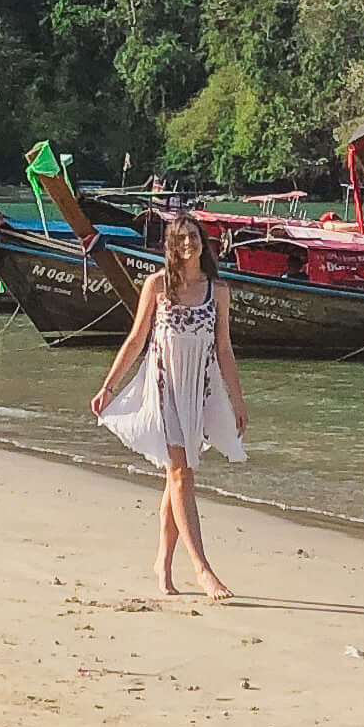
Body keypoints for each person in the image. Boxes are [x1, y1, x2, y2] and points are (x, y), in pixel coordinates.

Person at [90, 208, 248, 597]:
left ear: (202, 243)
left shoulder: (218, 291)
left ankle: (162, 563)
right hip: (162, 386)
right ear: (171, 246)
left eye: (193, 236)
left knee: (176, 477)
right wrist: (109, 387)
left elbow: (224, 349)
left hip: (199, 388)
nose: (187, 243)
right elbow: (135, 339)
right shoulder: (157, 286)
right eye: (180, 238)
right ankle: (202, 568)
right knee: (180, 473)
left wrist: (237, 400)